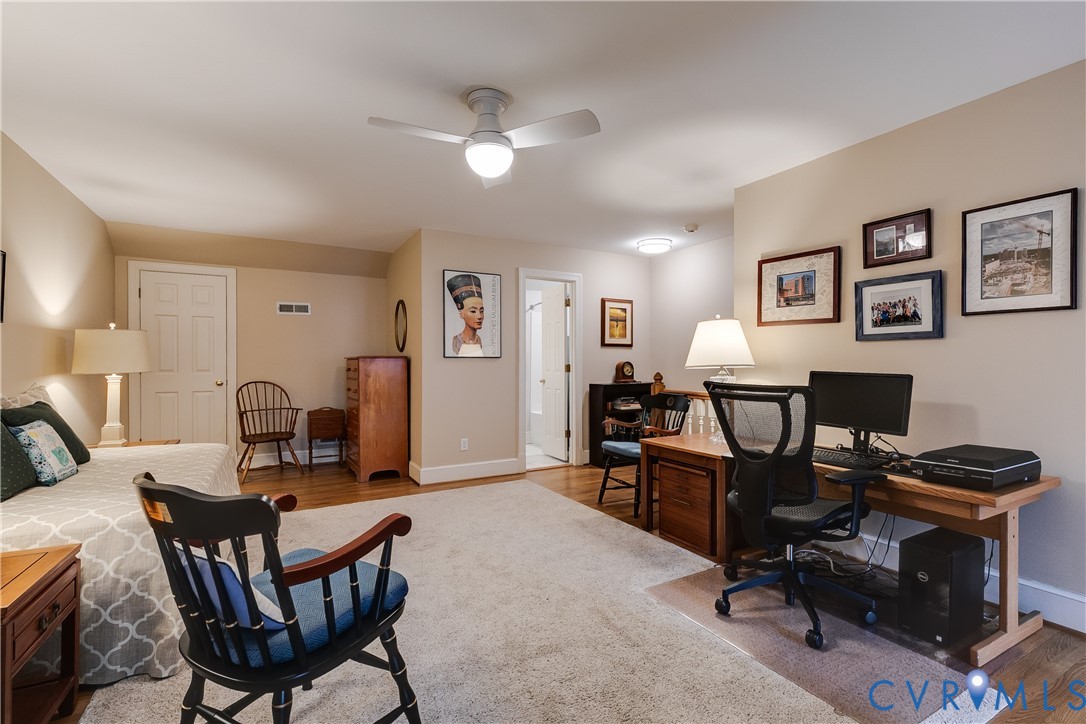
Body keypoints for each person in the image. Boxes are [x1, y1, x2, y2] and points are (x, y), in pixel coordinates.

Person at [446, 273, 485, 356]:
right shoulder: (457, 341)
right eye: (473, 311)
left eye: (481, 311)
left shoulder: (479, 340)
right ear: (462, 314)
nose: (479, 316)